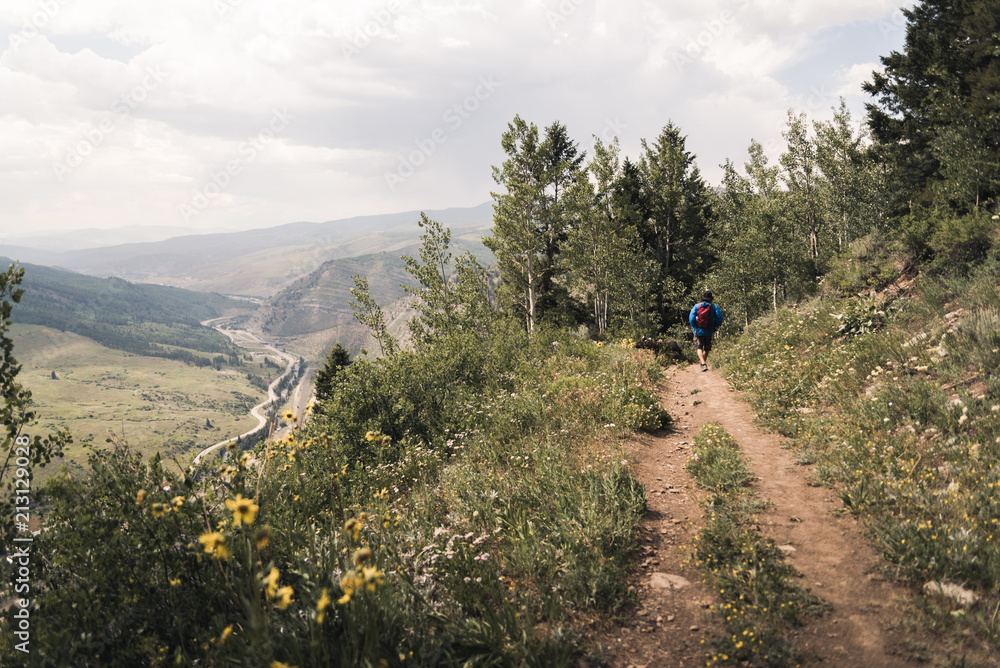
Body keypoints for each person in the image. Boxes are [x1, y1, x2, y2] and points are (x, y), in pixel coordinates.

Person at [689, 290, 723, 371]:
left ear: (702, 298)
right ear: (711, 299)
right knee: (706, 349)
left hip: (698, 331)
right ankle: (703, 364)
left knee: (698, 347)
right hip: (709, 330)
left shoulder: (697, 306)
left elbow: (691, 318)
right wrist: (714, 326)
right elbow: (719, 319)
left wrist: (694, 326)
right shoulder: (714, 307)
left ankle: (703, 364)